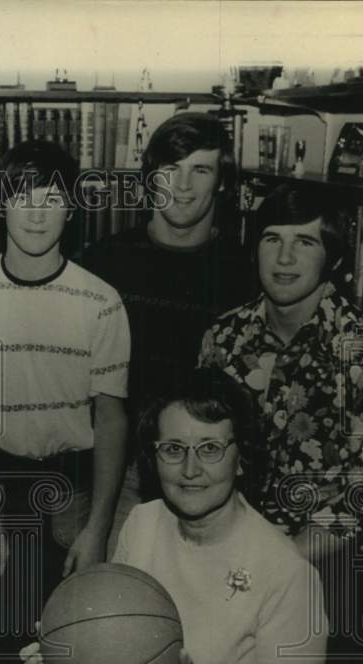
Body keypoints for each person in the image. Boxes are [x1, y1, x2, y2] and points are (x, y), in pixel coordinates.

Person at [22, 368, 328, 664]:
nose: (189, 469)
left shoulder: (289, 573)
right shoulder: (142, 523)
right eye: (173, 449)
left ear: (242, 457)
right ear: (154, 456)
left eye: (210, 448)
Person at [198, 183, 363, 664]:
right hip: (227, 561)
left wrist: (280, 560)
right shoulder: (224, 338)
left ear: (334, 257)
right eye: (272, 239)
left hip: (324, 573)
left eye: (305, 243)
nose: (284, 258)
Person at [88, 112, 255, 554]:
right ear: (149, 177)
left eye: (200, 170)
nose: (182, 187)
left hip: (210, 478)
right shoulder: (103, 263)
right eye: (170, 169)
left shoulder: (245, 274)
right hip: (119, 478)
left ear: (221, 181)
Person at [0, 139, 130, 589]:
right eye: (22, 197)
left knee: (74, 641)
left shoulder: (100, 301)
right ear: (1, 206)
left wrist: (97, 529)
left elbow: (111, 419)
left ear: (72, 210)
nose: (37, 214)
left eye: (53, 199)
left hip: (75, 494)